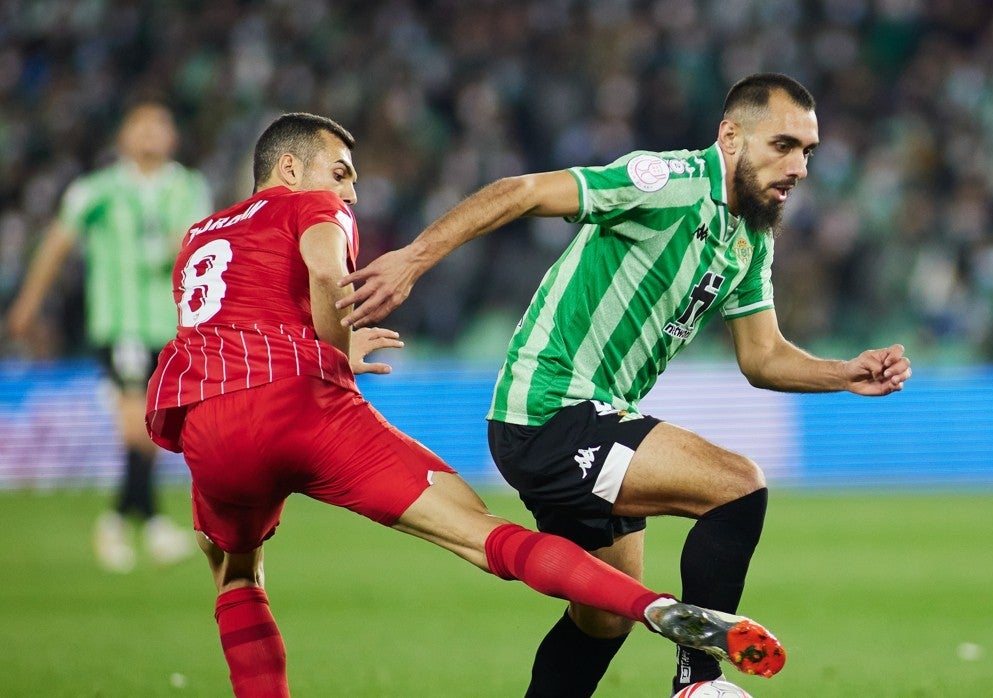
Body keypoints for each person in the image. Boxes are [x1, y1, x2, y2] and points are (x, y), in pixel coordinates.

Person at [145, 112, 785, 697]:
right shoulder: (311, 206)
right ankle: (652, 608)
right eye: (341, 173)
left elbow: (234, 320)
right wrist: (338, 336)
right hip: (302, 408)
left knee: (236, 573)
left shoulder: (199, 236)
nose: (350, 193)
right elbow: (322, 269)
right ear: (289, 168)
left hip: (207, 417)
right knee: (487, 539)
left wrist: (325, 343)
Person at [338, 72, 912, 697]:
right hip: (550, 408)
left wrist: (844, 373)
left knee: (603, 617)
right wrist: (414, 258)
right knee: (737, 487)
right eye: (782, 145)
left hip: (591, 416)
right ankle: (700, 680)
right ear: (730, 138)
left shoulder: (749, 239)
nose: (799, 166)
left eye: (808, 151)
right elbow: (524, 191)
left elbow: (763, 357)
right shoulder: (668, 182)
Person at [6, 101, 209, 573]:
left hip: (175, 327)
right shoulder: (97, 191)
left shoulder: (189, 187)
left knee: (156, 429)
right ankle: (140, 524)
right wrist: (28, 304)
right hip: (123, 324)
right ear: (123, 136)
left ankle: (127, 521)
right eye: (141, 125)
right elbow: (57, 243)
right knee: (137, 425)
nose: (151, 134)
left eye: (160, 124)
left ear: (173, 137)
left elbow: (197, 243)